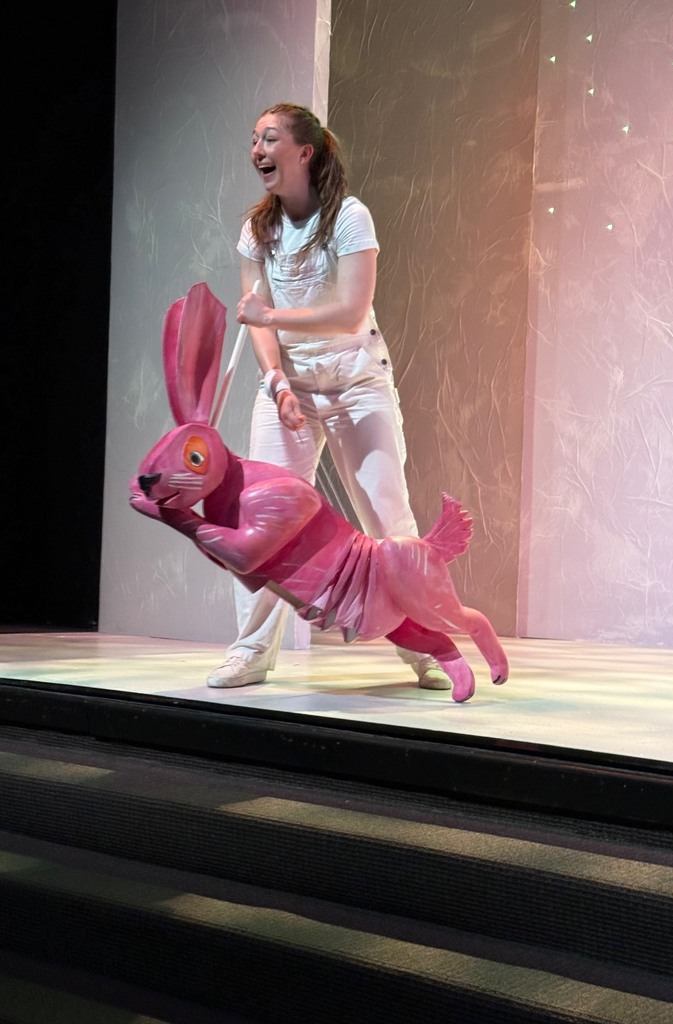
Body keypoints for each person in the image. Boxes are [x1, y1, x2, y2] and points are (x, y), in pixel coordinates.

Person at [205, 102, 450, 692]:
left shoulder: (349, 217)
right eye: (254, 140)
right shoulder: (257, 229)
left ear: (304, 152)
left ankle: (430, 649)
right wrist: (277, 382)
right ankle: (251, 651)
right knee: (262, 518)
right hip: (290, 388)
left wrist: (272, 314)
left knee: (389, 517)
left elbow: (349, 311)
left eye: (269, 139)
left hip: (355, 384)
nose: (257, 151)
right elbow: (256, 321)